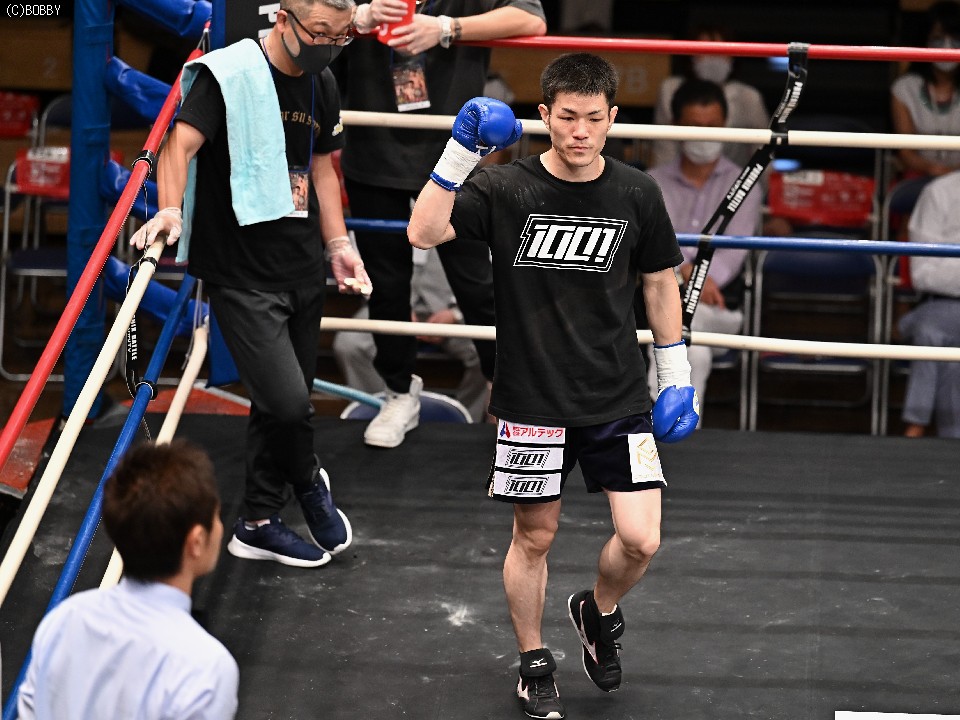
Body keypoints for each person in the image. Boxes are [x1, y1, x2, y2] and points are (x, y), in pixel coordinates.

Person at [407, 54, 700, 719]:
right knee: (534, 537)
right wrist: (459, 152)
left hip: (618, 395)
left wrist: (675, 373)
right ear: (543, 115)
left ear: (612, 118)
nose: (580, 132)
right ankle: (534, 660)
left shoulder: (636, 191)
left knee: (641, 539)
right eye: (567, 117)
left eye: (593, 118)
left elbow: (660, 283)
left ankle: (597, 611)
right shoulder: (504, 187)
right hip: (532, 397)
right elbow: (423, 232)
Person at [131, 0, 367, 568]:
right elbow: (179, 144)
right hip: (241, 272)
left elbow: (322, 169)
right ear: (283, 20)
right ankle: (308, 480)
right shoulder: (229, 74)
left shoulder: (322, 80)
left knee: (276, 402)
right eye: (320, 33)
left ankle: (258, 522)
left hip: (302, 265)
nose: (328, 46)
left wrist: (339, 246)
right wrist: (169, 210)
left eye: (341, 37)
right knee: (288, 404)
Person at [339, 0, 546, 449]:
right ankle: (398, 392)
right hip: (373, 147)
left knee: (478, 284)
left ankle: (508, 393)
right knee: (387, 286)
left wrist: (447, 28)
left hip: (456, 151)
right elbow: (306, 15)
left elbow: (532, 17)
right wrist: (359, 17)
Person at [18, 440, 239, 719]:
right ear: (195, 542)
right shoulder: (206, 668)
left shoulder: (64, 620)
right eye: (216, 516)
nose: (220, 527)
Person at [646, 79, 761, 421]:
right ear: (676, 126)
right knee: (693, 350)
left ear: (725, 124)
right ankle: (681, 432)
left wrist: (693, 275)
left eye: (712, 125)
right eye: (695, 126)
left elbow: (734, 253)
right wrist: (686, 271)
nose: (705, 134)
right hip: (662, 298)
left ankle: (659, 427)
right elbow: (653, 241)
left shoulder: (745, 184)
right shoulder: (652, 182)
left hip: (720, 305)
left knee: (679, 333)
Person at [333, 245, 490, 422]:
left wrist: (456, 313)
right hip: (388, 295)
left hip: (458, 302)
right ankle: (377, 412)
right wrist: (393, 307)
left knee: (491, 348)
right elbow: (362, 256)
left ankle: (466, 420)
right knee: (350, 343)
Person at [651, 23, 768, 169]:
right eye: (705, 50)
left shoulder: (749, 97)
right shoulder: (670, 89)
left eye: (721, 51)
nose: (713, 57)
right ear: (690, 54)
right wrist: (663, 181)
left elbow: (761, 150)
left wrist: (757, 184)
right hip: (679, 178)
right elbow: (664, 147)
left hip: (736, 179)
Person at [897, 170, 960, 439]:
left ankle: (921, 427)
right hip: (938, 303)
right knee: (933, 330)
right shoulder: (940, 192)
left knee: (950, 344)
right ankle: (923, 427)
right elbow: (924, 275)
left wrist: (951, 267)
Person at [891, 0, 960, 179]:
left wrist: (952, 175)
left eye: (955, 39)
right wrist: (933, 171)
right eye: (938, 39)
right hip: (920, 179)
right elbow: (905, 152)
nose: (947, 47)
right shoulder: (905, 89)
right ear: (925, 41)